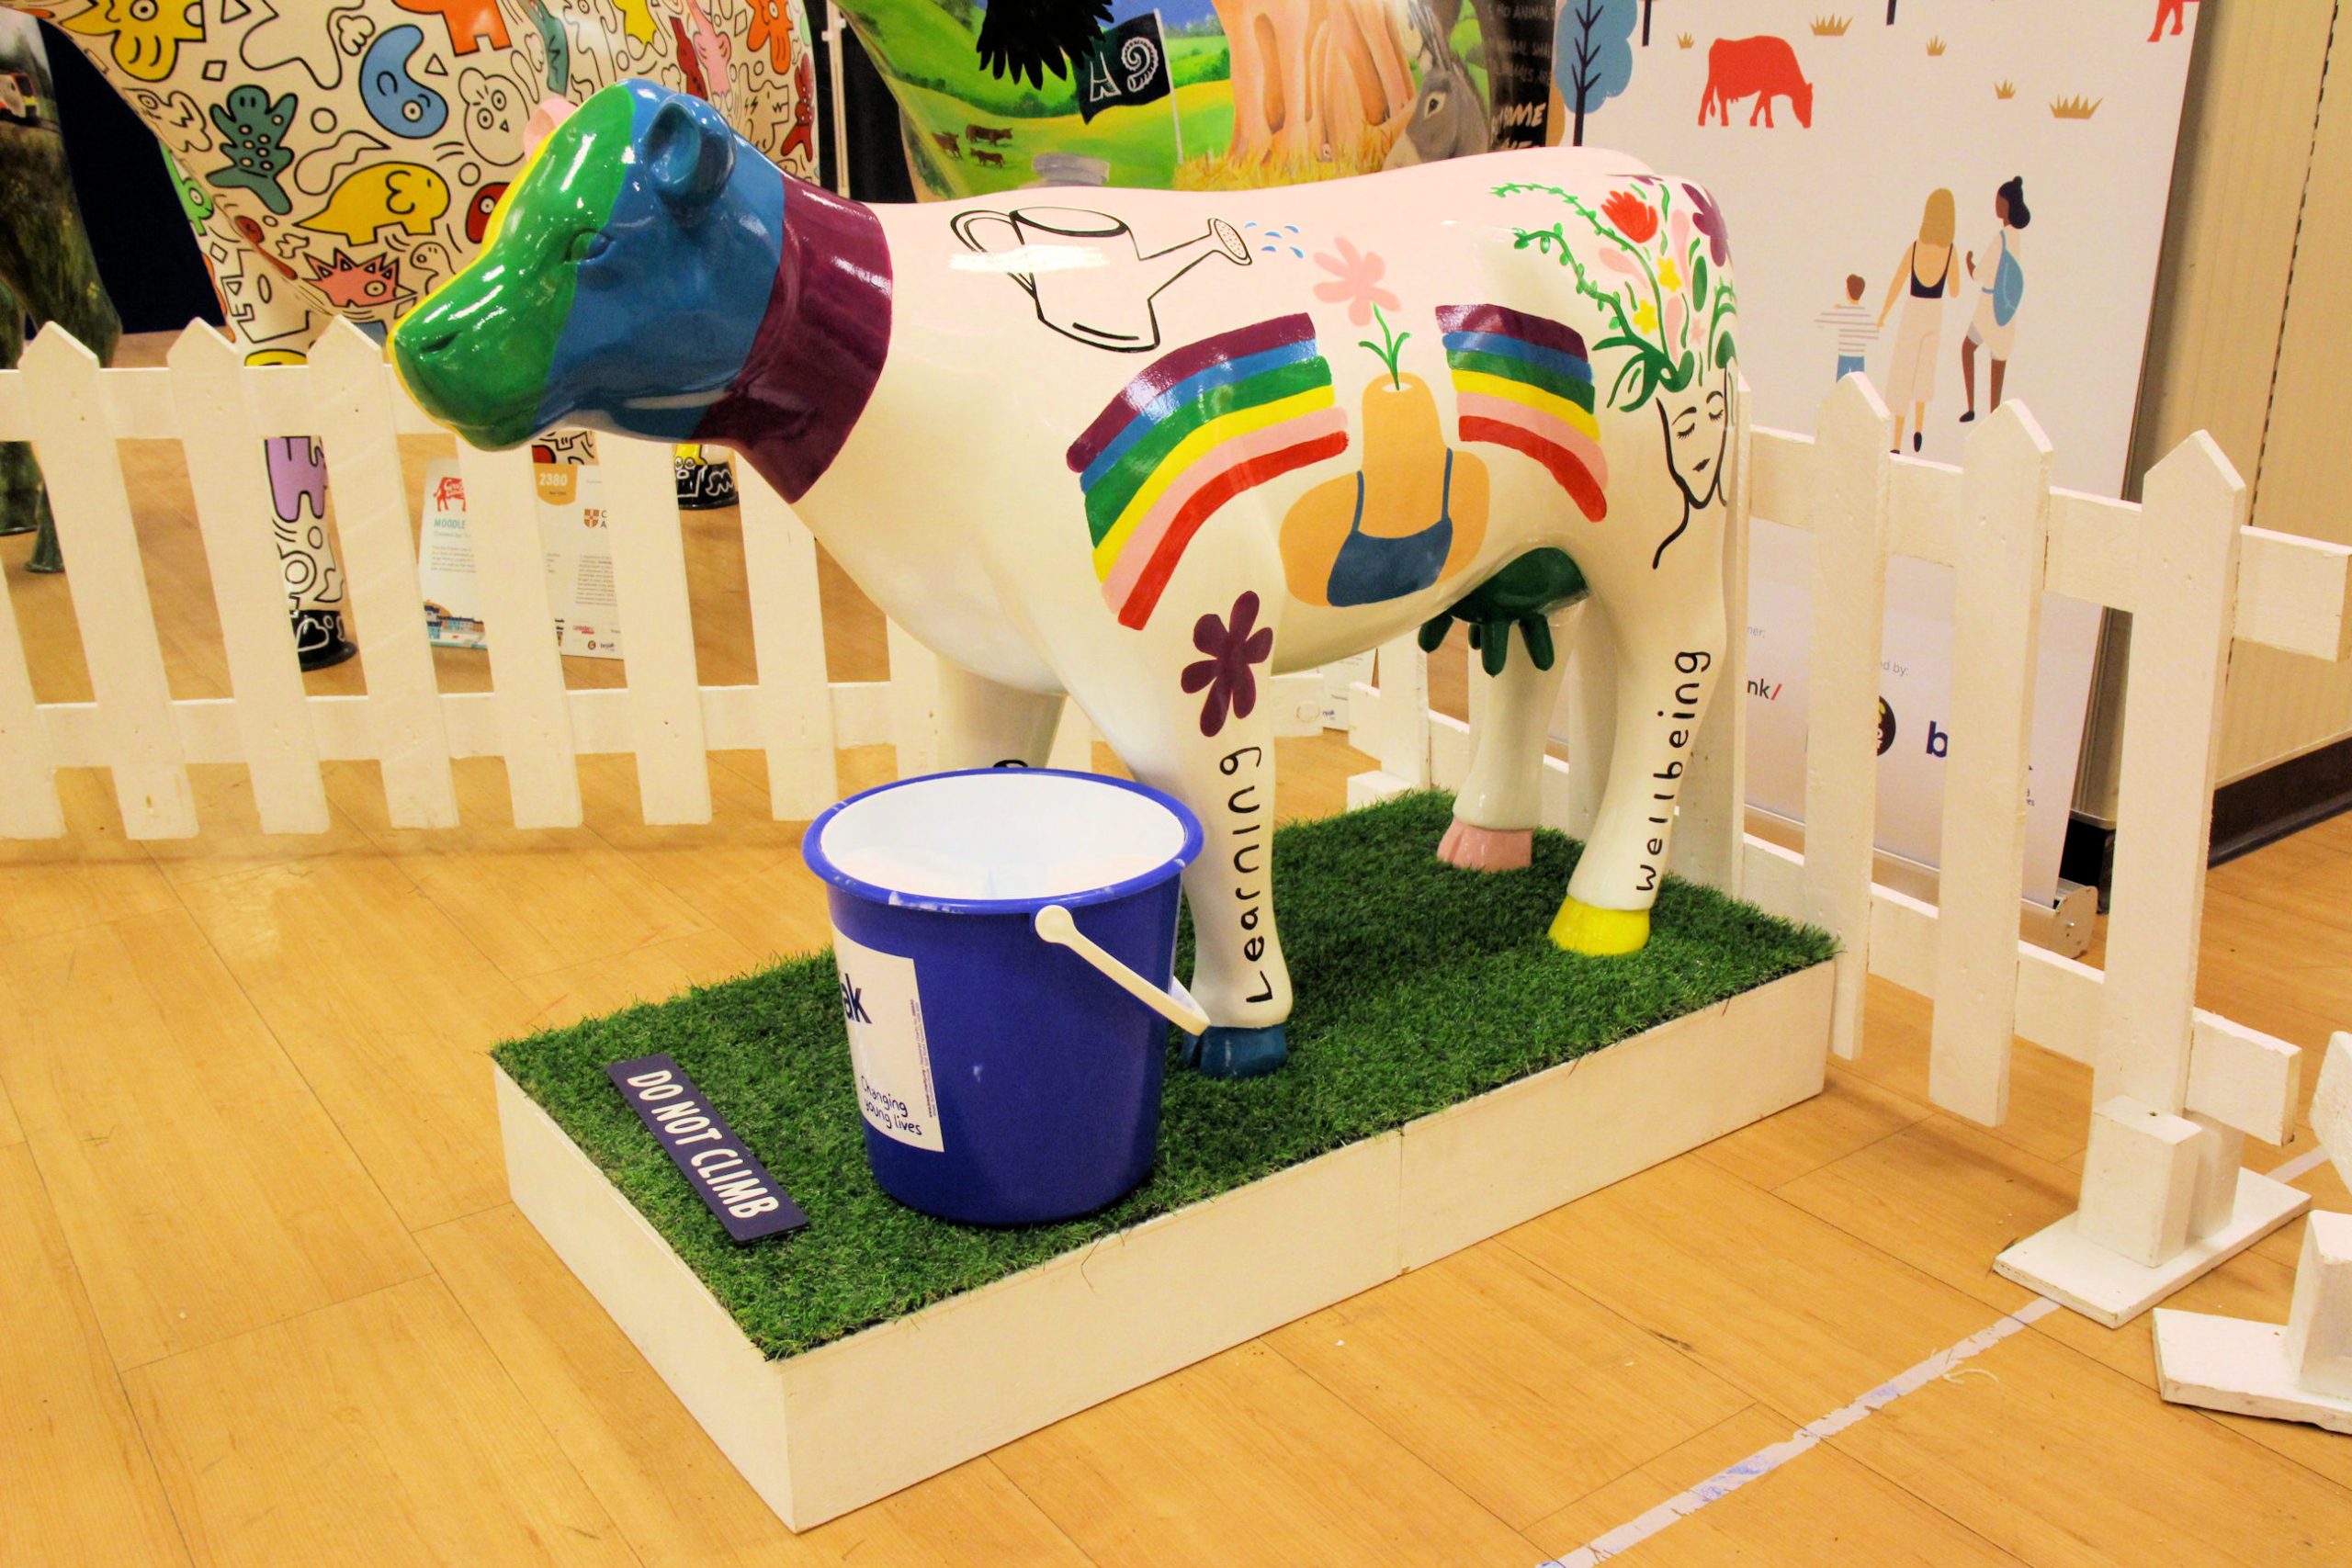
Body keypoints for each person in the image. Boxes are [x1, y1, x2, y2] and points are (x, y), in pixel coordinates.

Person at [1877, 188, 1958, 454]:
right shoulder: (1950, 252)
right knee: (1925, 370)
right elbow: (1955, 290)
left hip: (1913, 310)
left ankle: (1896, 443)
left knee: (1904, 370)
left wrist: (1883, 314)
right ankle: (1919, 429)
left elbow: (1897, 282)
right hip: (1934, 312)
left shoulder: (1915, 248)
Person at [1961, 175, 2032, 423]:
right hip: (2006, 311)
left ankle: (1971, 406)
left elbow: (1981, 273)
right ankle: (1993, 417)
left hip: (1988, 308)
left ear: (2007, 205)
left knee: (1967, 349)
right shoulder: (2016, 237)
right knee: (1997, 364)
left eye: (1999, 201)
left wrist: (1969, 263)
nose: (1996, 205)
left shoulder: (2002, 237)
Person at [1815, 273, 1878, 381]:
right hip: (1859, 355)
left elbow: (1821, 320)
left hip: (1844, 355)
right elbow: (1874, 334)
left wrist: (1835, 309)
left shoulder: (1842, 311)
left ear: (1848, 291)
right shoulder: (1864, 314)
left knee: (1841, 384)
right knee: (1859, 384)